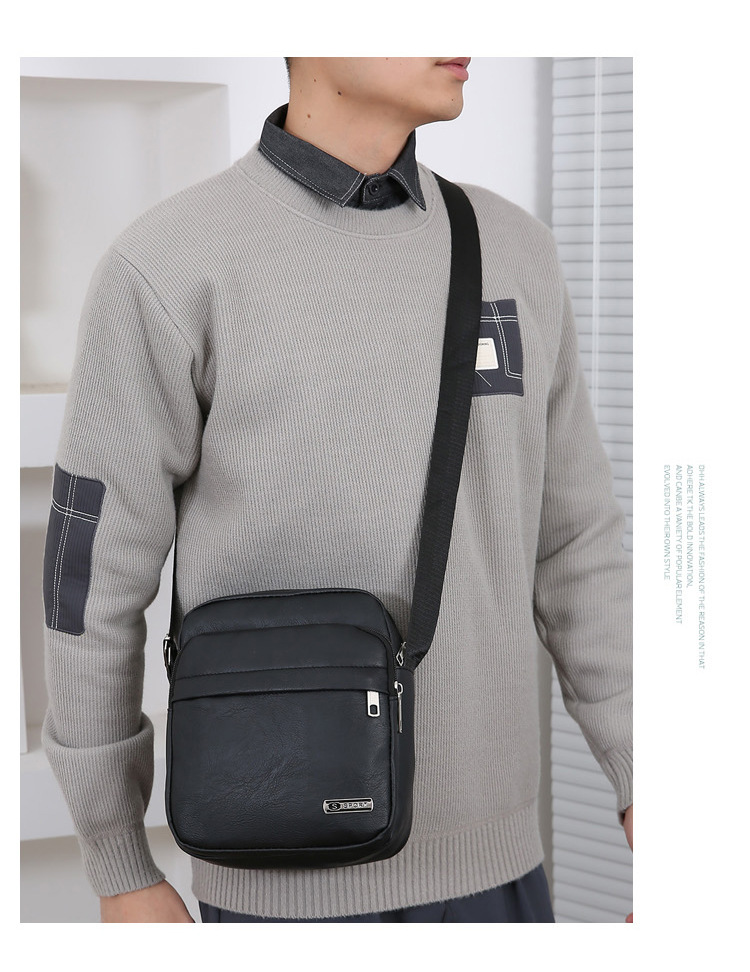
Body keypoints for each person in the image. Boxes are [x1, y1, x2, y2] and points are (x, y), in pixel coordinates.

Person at [41, 56, 633, 923]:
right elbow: (88, 583)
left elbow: (577, 546)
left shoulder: (514, 249)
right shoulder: (168, 264)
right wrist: (119, 864)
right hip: (277, 875)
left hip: (499, 870)